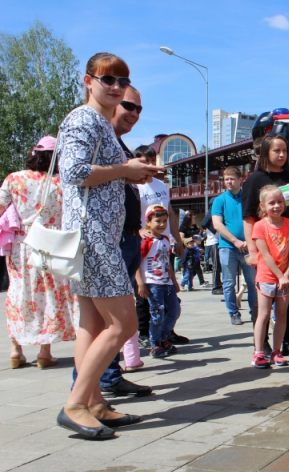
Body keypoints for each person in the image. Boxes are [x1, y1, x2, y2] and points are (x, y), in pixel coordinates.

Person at [57, 52, 161, 439]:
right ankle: (75, 404)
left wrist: (131, 176)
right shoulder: (84, 119)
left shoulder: (98, 122)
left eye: (122, 80)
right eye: (108, 80)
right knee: (125, 322)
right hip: (94, 235)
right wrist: (125, 170)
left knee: (93, 324)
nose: (116, 87)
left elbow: (97, 175)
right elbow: (74, 172)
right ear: (88, 81)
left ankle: (94, 402)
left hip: (95, 234)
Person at [0, 136, 77, 369]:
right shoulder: (61, 183)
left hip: (21, 243)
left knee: (18, 292)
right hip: (51, 242)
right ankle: (45, 352)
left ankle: (16, 350)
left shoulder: (14, 179)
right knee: (49, 293)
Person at [242, 134, 289, 359]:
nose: (282, 155)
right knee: (262, 301)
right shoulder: (255, 179)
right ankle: (260, 345)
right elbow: (248, 216)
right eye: (276, 151)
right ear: (266, 152)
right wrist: (253, 251)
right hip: (267, 251)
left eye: (285, 150)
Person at [136, 145, 185, 349]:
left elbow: (170, 213)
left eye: (150, 160)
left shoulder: (161, 186)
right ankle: (144, 333)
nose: (148, 165)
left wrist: (177, 239)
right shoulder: (133, 186)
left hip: (163, 244)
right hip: (144, 244)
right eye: (143, 161)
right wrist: (138, 231)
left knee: (166, 291)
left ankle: (166, 332)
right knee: (144, 292)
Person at [251, 184, 289, 368]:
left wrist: (287, 274)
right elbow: (265, 255)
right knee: (263, 315)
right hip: (266, 277)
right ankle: (258, 352)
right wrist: (280, 276)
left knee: (281, 315)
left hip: (285, 278)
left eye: (280, 202)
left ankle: (276, 351)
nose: (277, 206)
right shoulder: (259, 226)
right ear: (263, 206)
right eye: (271, 203)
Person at [135, 205, 181, 358]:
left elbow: (167, 262)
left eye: (164, 221)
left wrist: (174, 281)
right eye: (157, 221)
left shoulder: (166, 240)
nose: (161, 224)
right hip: (153, 282)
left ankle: (164, 337)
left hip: (166, 282)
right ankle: (155, 344)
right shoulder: (147, 241)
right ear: (148, 222)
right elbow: (137, 262)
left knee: (174, 311)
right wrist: (140, 283)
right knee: (157, 313)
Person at [212, 166, 256, 325]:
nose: (229, 182)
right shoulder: (219, 200)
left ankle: (255, 312)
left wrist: (249, 240)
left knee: (253, 282)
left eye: (232, 179)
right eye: (226, 179)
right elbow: (217, 225)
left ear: (240, 180)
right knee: (229, 283)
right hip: (227, 248)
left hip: (248, 247)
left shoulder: (248, 198)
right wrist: (235, 241)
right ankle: (233, 312)